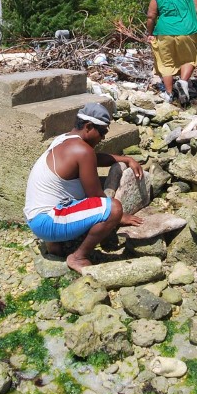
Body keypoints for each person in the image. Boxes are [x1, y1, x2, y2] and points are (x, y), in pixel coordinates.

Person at [24, 102, 144, 273]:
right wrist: (120, 217)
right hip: (47, 222)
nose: (103, 137)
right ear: (88, 127)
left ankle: (55, 245)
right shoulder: (82, 151)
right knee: (114, 208)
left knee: (86, 197)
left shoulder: (64, 139)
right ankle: (78, 257)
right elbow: (96, 196)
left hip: (35, 218)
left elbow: (94, 158)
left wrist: (125, 159)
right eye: (102, 132)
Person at [146, 0, 197, 106]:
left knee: (166, 63)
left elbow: (150, 17)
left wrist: (150, 33)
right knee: (189, 58)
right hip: (188, 30)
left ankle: (169, 93)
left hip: (164, 32)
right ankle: (183, 82)